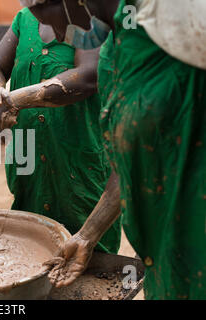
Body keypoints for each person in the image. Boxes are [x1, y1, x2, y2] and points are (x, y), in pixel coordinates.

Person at [47, 0, 206, 300]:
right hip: (163, 250)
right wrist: (87, 235)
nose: (56, 35)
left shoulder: (181, 16)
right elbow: (130, 158)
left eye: (47, 16)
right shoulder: (117, 44)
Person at [0, 0, 121, 254]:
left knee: (90, 258)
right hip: (30, 161)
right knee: (31, 249)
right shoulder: (24, 19)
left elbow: (88, 76)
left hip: (78, 160)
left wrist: (14, 101)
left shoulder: (87, 17)